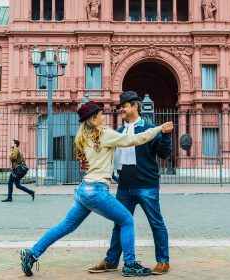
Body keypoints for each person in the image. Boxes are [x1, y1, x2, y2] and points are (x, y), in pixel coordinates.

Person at [19, 101, 174, 277]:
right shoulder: (104, 134)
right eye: (101, 114)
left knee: (65, 227)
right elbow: (136, 139)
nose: (104, 116)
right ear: (94, 119)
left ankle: (32, 253)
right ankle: (130, 264)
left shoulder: (83, 137)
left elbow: (88, 162)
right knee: (127, 221)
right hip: (97, 190)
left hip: (84, 190)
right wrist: (158, 128)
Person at [88, 91, 172, 275]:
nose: (121, 110)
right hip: (124, 187)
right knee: (119, 224)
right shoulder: (118, 133)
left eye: (124, 106)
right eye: (120, 107)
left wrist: (165, 135)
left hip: (147, 186)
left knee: (156, 223)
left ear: (135, 106)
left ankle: (163, 261)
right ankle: (111, 261)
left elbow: (164, 153)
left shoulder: (149, 129)